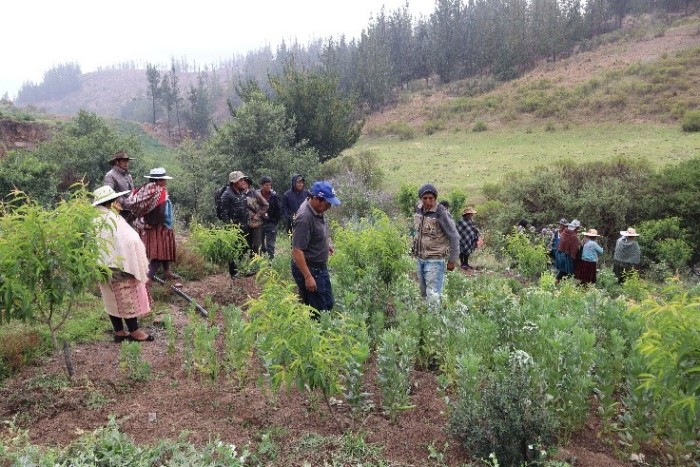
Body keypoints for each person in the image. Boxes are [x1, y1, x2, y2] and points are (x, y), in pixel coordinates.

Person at [93, 185, 153, 342]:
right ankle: (134, 331)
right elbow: (127, 240)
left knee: (110, 297)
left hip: (103, 266)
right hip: (119, 266)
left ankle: (119, 331)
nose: (119, 203)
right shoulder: (110, 218)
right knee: (127, 296)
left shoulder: (96, 218)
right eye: (116, 200)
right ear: (110, 202)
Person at [291, 181, 341, 317]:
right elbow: (297, 251)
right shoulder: (305, 218)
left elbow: (315, 233)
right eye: (328, 203)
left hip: (320, 267)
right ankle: (315, 335)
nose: (330, 207)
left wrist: (325, 245)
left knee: (328, 303)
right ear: (317, 200)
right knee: (318, 312)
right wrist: (308, 277)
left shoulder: (317, 210)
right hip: (310, 268)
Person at [127, 167, 179, 280]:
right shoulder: (160, 191)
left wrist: (146, 222)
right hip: (158, 227)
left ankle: (167, 271)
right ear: (159, 180)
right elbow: (160, 211)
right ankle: (147, 278)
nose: (166, 182)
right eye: (164, 179)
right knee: (158, 253)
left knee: (162, 250)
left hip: (144, 224)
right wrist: (155, 223)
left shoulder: (143, 189)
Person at [412, 183, 460, 302]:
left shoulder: (441, 213)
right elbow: (416, 230)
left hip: (435, 260)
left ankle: (433, 318)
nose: (428, 201)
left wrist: (452, 260)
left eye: (431, 198)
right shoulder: (419, 209)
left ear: (435, 198)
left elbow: (454, 236)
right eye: (425, 198)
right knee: (423, 293)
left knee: (433, 295)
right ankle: (426, 318)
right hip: (420, 258)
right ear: (421, 198)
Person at [220, 171, 268, 278]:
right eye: (240, 180)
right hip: (234, 228)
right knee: (234, 250)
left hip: (244, 226)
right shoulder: (226, 195)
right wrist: (230, 228)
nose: (243, 182)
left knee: (244, 248)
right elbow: (224, 214)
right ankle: (234, 273)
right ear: (234, 182)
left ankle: (240, 270)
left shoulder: (240, 192)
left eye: (243, 180)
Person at [103, 150, 135, 224]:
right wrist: (123, 201)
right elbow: (108, 195)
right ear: (117, 162)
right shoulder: (110, 175)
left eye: (127, 161)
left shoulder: (128, 176)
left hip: (131, 211)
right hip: (118, 211)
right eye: (124, 161)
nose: (126, 163)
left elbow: (132, 192)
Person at [258, 175, 281, 259]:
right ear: (262, 185)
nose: (268, 187)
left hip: (271, 223)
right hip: (259, 222)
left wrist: (274, 221)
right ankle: (258, 263)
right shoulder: (257, 194)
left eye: (269, 185)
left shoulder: (274, 196)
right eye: (266, 185)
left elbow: (279, 210)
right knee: (259, 245)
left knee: (270, 244)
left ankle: (271, 263)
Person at [555, 219, 581, 284]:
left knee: (564, 272)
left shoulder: (564, 233)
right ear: (576, 228)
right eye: (577, 228)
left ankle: (559, 283)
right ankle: (557, 283)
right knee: (566, 272)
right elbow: (574, 249)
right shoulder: (573, 236)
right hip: (567, 257)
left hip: (560, 254)